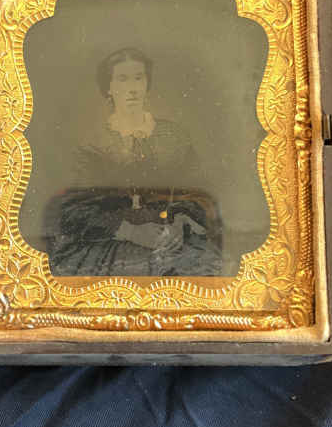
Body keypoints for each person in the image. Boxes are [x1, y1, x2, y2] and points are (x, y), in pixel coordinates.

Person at [44, 47, 223, 276]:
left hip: (170, 237)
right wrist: (130, 231)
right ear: (109, 88)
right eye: (122, 79)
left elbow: (198, 192)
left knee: (207, 268)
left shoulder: (174, 136)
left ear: (147, 84)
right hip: (111, 241)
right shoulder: (92, 143)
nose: (132, 88)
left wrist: (179, 223)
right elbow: (74, 211)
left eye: (139, 78)